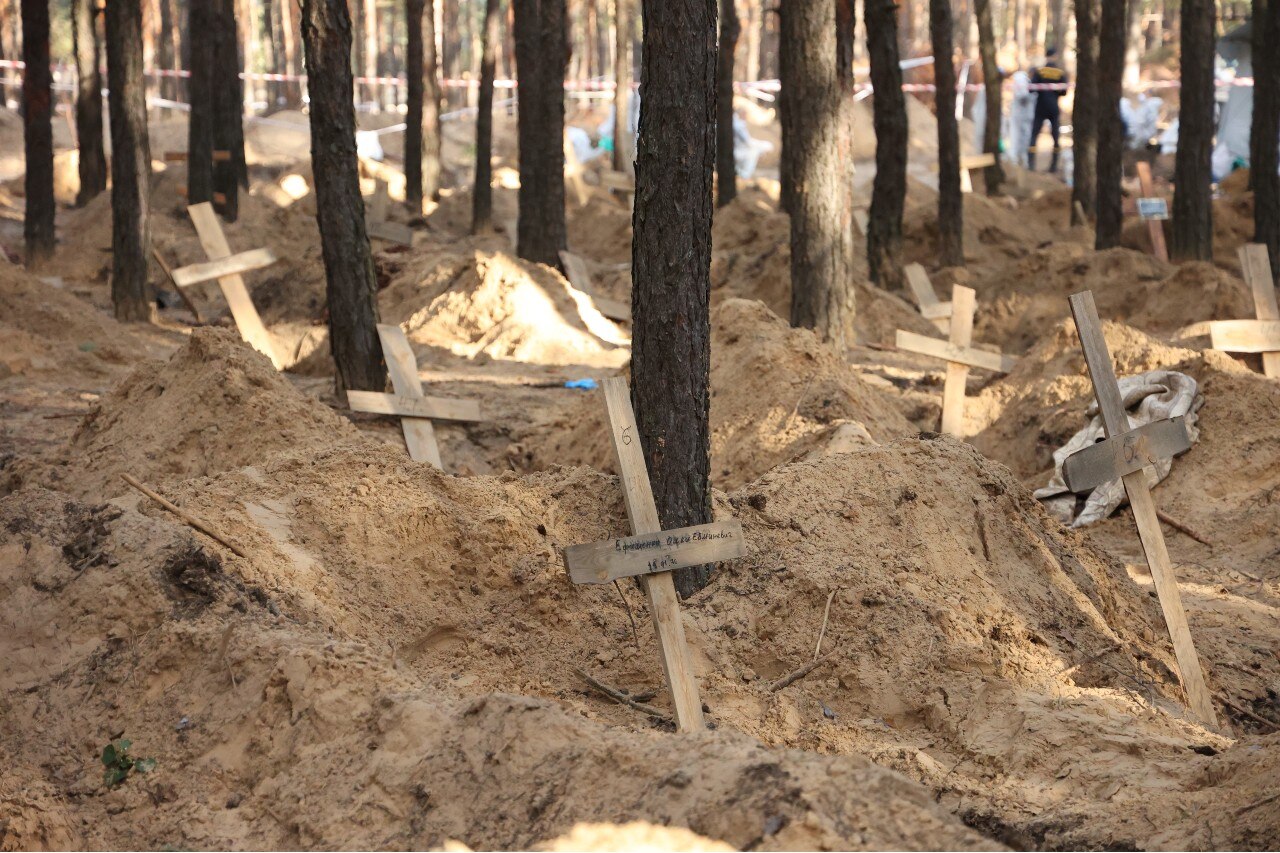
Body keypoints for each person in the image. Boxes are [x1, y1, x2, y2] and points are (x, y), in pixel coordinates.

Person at [1028, 48, 1069, 172]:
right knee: (1055, 137)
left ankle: (1031, 165)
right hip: (1053, 108)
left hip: (1040, 107)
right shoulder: (1060, 73)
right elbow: (1064, 92)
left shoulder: (1039, 72)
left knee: (1034, 135)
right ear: (1055, 56)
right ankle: (1053, 167)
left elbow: (1031, 89)